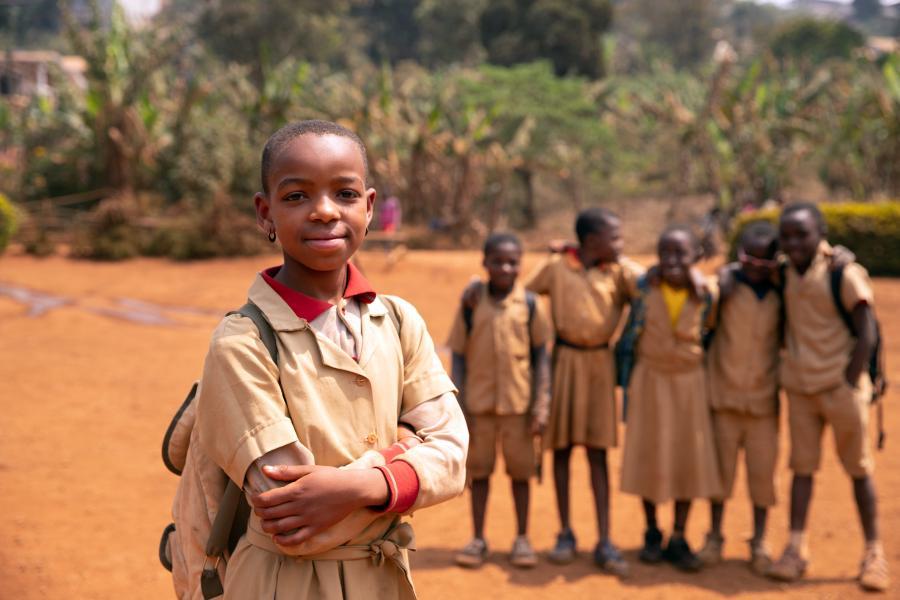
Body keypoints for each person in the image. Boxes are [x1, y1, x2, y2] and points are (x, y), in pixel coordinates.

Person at [194, 119, 468, 599]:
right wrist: (405, 458)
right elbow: (293, 519)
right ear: (265, 214)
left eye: (344, 194)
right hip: (283, 584)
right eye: (297, 196)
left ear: (369, 206)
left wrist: (356, 487)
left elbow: (454, 458)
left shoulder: (399, 320)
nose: (323, 211)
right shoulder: (242, 342)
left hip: (384, 581)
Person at [767, 202, 889, 592]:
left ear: (820, 233)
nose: (793, 242)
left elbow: (866, 332)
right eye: (786, 235)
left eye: (801, 234)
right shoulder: (783, 271)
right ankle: (795, 548)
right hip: (801, 390)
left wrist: (850, 380)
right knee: (801, 469)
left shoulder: (844, 273)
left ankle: (874, 553)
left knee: (858, 470)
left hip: (840, 390)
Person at [522, 208, 641, 576]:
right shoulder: (559, 267)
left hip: (600, 367)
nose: (619, 245)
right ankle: (565, 532)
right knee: (560, 450)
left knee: (598, 453)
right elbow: (522, 294)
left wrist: (622, 256)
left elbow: (648, 284)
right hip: (564, 362)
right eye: (614, 238)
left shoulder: (618, 271)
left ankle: (605, 539)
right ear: (591, 242)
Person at [619, 225, 722, 572]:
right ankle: (652, 531)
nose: (671, 260)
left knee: (686, 458)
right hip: (650, 380)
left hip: (690, 384)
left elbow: (712, 330)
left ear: (697, 257)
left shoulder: (708, 293)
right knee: (649, 454)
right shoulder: (644, 289)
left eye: (680, 253)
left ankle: (679, 536)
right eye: (665, 253)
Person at [448, 232, 552, 569]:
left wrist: (540, 407)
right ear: (485, 263)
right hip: (478, 407)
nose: (505, 268)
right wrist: (458, 405)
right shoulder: (471, 304)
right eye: (497, 261)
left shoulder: (531, 304)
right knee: (479, 474)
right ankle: (478, 538)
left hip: (519, 409)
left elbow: (541, 359)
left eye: (512, 262)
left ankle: (522, 538)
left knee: (521, 474)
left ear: (521, 265)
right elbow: (459, 356)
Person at [696, 222, 781, 574]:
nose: (755, 268)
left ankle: (759, 540)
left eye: (765, 262)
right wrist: (723, 278)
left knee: (762, 478)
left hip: (764, 404)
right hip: (723, 398)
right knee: (720, 475)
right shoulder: (725, 289)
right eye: (749, 260)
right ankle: (714, 536)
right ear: (738, 257)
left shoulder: (783, 293)